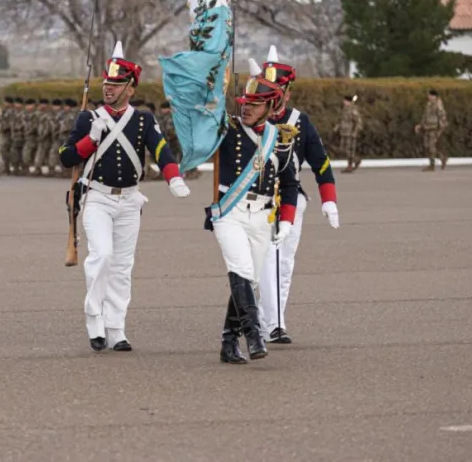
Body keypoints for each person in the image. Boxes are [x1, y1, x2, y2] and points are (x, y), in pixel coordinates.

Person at [59, 42, 191, 352]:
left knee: (122, 266)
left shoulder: (143, 119)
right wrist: (90, 140)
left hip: (130, 200)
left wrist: (173, 176)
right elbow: (66, 158)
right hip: (97, 198)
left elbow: (160, 148)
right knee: (102, 255)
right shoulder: (87, 119)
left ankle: (116, 327)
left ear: (130, 88)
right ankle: (94, 318)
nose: (109, 88)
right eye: (107, 83)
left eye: (116, 84)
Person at [249, 50, 340, 345]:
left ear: (287, 92)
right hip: (257, 200)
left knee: (284, 263)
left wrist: (329, 199)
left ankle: (271, 320)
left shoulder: (301, 121)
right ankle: (273, 324)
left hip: (291, 199)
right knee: (266, 261)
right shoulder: (251, 118)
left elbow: (320, 161)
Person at [207, 74, 299, 364]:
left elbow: (289, 183)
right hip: (229, 212)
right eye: (245, 102)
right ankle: (254, 335)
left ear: (271, 106)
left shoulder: (280, 137)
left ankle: (228, 342)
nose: (246, 108)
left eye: (255, 104)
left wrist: (286, 220)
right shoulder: (227, 128)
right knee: (241, 269)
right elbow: (203, 116)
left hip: (262, 216)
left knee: (251, 277)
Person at [416, 90, 447, 172]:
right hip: (427, 127)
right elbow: (425, 116)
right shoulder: (428, 104)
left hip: (434, 128)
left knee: (431, 147)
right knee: (426, 146)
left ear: (434, 96)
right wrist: (420, 125)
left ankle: (432, 166)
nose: (428, 97)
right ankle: (442, 158)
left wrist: (440, 128)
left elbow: (442, 116)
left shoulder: (438, 105)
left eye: (430, 95)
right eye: (428, 95)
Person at [336, 95, 364, 173]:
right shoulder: (345, 109)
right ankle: (355, 160)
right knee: (343, 149)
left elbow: (358, 122)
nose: (343, 102)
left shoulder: (353, 109)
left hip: (350, 133)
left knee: (349, 150)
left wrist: (355, 132)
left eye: (345, 101)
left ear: (348, 101)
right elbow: (342, 120)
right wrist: (337, 128)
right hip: (344, 133)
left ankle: (350, 165)